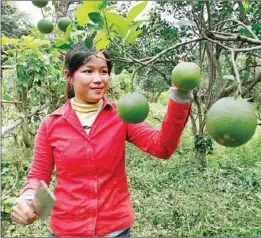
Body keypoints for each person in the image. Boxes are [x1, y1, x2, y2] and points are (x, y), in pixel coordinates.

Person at [11, 43, 192, 237]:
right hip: (66, 230)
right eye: (88, 71)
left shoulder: (121, 115)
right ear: (69, 76)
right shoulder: (51, 124)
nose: (98, 79)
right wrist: (28, 198)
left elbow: (162, 147)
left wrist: (180, 96)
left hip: (114, 230)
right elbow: (39, 174)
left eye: (104, 71)